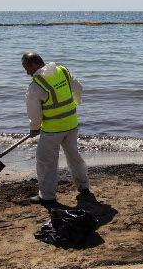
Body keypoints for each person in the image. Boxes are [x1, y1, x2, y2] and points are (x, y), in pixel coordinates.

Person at [21, 52, 91, 206]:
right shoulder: (62, 71)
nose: (26, 72)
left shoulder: (36, 86)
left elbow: (34, 112)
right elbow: (78, 88)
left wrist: (34, 128)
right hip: (72, 123)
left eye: (26, 68)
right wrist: (75, 103)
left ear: (34, 65)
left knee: (46, 162)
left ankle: (47, 196)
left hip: (53, 129)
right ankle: (84, 186)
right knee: (74, 156)